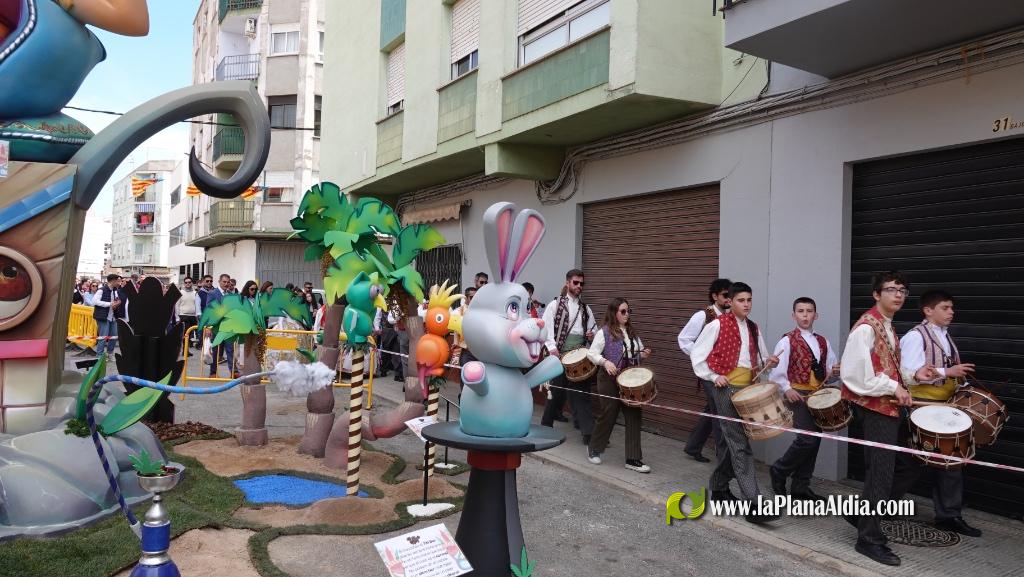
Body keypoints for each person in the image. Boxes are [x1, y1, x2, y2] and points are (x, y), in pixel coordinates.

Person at [840, 271, 937, 566]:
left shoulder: (887, 327)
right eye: (892, 289)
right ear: (876, 294)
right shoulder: (866, 328)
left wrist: (912, 376)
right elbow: (854, 375)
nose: (898, 295)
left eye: (903, 291)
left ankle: (862, 514)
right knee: (880, 473)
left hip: (890, 407)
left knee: (909, 464)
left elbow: (890, 367)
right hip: (876, 409)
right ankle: (868, 539)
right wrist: (892, 386)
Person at [690, 281, 779, 524]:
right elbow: (698, 355)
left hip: (748, 389)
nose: (746, 304)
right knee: (740, 443)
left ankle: (718, 486)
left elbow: (758, 359)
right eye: (741, 300)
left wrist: (768, 363)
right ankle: (755, 504)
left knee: (735, 442)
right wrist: (713, 376)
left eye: (749, 300)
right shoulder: (717, 324)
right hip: (725, 388)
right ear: (730, 302)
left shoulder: (753, 327)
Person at [899, 289, 980, 537]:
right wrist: (948, 373)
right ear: (928, 310)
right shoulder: (915, 337)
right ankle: (877, 507)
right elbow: (907, 374)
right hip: (920, 408)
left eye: (952, 308)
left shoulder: (946, 336)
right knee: (910, 466)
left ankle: (949, 516)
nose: (951, 312)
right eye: (945, 308)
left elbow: (949, 372)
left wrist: (964, 387)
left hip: (944, 409)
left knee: (951, 462)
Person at [768, 297, 838, 501]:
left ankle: (801, 486)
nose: (805, 315)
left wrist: (835, 372)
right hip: (797, 394)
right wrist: (786, 388)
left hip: (817, 396)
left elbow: (829, 372)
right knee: (806, 439)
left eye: (809, 311)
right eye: (801, 311)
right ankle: (779, 470)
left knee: (815, 440)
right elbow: (777, 370)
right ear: (794, 315)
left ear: (816, 315)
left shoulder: (823, 341)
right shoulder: (787, 340)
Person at [587, 297, 652, 472]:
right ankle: (594, 448)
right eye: (623, 311)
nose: (627, 314)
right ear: (614, 312)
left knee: (634, 414)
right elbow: (591, 354)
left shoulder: (632, 332)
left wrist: (643, 354)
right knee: (609, 413)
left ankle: (633, 459)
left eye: (628, 311)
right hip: (608, 379)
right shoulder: (605, 332)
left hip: (629, 380)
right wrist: (605, 362)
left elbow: (636, 352)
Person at [677, 278, 733, 463]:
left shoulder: (729, 317)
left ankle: (693, 447)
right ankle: (723, 458)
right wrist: (701, 357)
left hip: (723, 372)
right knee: (720, 412)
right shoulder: (702, 316)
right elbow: (684, 339)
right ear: (714, 296)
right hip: (708, 372)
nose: (729, 299)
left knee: (712, 409)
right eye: (725, 295)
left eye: (730, 295)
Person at [542, 269, 597, 444]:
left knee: (582, 395)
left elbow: (594, 330)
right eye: (575, 282)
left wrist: (591, 335)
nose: (579, 286)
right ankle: (545, 427)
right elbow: (545, 329)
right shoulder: (555, 305)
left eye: (582, 283)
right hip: (559, 355)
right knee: (556, 394)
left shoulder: (585, 309)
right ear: (567, 283)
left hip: (579, 358)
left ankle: (588, 433)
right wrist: (552, 348)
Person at [206, 274, 235, 377]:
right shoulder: (212, 294)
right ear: (219, 281)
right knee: (215, 350)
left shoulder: (231, 295)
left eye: (228, 282)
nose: (226, 284)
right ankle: (213, 372)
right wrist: (208, 327)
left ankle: (233, 372)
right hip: (216, 327)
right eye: (224, 282)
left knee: (230, 349)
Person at [92, 273, 124, 360]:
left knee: (114, 336)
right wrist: (109, 304)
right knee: (103, 337)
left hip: (113, 316)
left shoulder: (115, 290)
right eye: (118, 281)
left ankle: (110, 353)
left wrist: (117, 303)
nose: (119, 283)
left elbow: (116, 301)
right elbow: (94, 301)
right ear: (113, 281)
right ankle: (99, 356)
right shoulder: (101, 290)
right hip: (103, 317)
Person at [176, 276, 202, 348]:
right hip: (183, 315)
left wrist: (197, 315)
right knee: (185, 334)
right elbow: (177, 305)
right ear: (184, 284)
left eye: (189, 282)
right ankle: (185, 350)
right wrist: (177, 317)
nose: (188, 284)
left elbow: (197, 305)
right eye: (186, 282)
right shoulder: (180, 293)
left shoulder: (195, 293)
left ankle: (187, 349)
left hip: (193, 316)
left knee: (190, 334)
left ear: (192, 283)